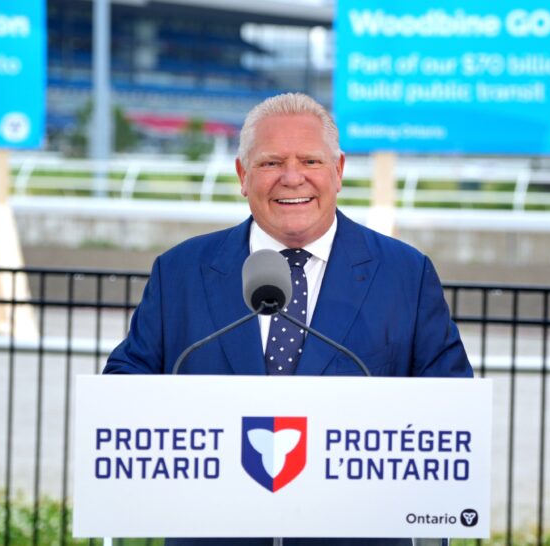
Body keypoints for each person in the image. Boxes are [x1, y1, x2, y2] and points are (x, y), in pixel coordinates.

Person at [104, 93, 472, 545]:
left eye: (310, 161)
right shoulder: (180, 271)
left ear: (338, 170)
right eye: (271, 163)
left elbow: (449, 405)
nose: (292, 178)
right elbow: (124, 386)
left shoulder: (405, 274)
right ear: (243, 175)